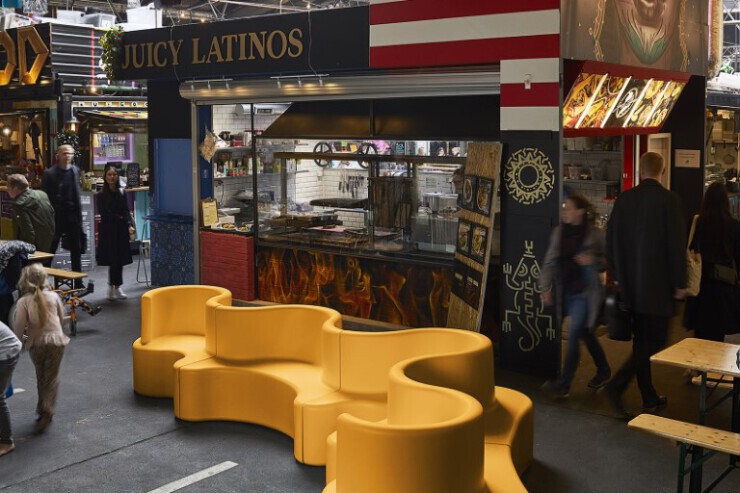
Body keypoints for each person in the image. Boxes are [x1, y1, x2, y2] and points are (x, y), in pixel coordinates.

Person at [605, 152, 686, 418]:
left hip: (630, 287)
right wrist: (680, 282)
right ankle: (617, 386)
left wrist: (616, 276)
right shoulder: (669, 200)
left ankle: (649, 396)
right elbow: (676, 245)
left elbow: (611, 239)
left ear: (641, 171)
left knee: (642, 342)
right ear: (662, 171)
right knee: (655, 341)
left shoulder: (624, 199)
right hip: (657, 288)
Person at [539, 194, 611, 398]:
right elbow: (550, 261)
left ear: (581, 211)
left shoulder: (595, 235)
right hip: (563, 290)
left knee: (572, 337)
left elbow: (609, 261)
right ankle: (604, 369)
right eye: (564, 207)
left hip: (584, 293)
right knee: (585, 334)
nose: (565, 211)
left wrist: (593, 260)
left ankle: (564, 385)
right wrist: (545, 287)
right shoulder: (559, 233)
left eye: (569, 208)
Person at [13, 263, 70, 432]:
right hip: (56, 342)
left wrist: (21, 342)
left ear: (25, 281)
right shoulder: (53, 296)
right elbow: (62, 319)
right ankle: (47, 409)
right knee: (51, 376)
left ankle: (42, 409)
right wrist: (60, 330)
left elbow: (20, 327)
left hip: (36, 344)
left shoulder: (23, 302)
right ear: (45, 278)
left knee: (41, 375)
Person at [683, 182, 740, 341]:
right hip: (724, 286)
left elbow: (689, 248)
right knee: (717, 334)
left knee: (701, 332)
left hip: (700, 284)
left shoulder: (696, 222)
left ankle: (698, 357)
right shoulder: (733, 225)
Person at [43, 144, 84, 287]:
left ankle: (78, 281)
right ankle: (42, 281)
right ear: (58, 155)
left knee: (76, 250)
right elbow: (45, 197)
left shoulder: (75, 171)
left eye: (70, 153)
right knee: (50, 249)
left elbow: (76, 194)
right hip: (56, 216)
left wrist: (79, 218)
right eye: (64, 153)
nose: (67, 156)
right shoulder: (50, 174)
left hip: (72, 215)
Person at [96, 164, 135, 301]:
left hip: (121, 229)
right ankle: (111, 286)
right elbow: (104, 213)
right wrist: (119, 218)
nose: (112, 177)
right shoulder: (101, 195)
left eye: (114, 174)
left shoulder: (121, 192)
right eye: (109, 175)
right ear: (105, 177)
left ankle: (117, 286)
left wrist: (129, 224)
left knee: (120, 258)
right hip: (108, 230)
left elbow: (126, 210)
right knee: (112, 259)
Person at [7, 174, 55, 255]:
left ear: (15, 188)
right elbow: (52, 215)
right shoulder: (42, 194)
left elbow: (28, 231)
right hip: (49, 243)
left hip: (34, 249)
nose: (7, 191)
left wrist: (28, 253)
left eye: (8, 188)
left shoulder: (19, 204)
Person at [0, 241, 35, 326]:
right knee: (5, 308)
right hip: (5, 287)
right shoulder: (12, 250)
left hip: (5, 284)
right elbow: (32, 249)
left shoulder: (9, 250)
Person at [0, 321, 21, 456]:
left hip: (6, 352)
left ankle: (7, 442)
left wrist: (25, 338)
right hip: (11, 347)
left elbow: (22, 331)